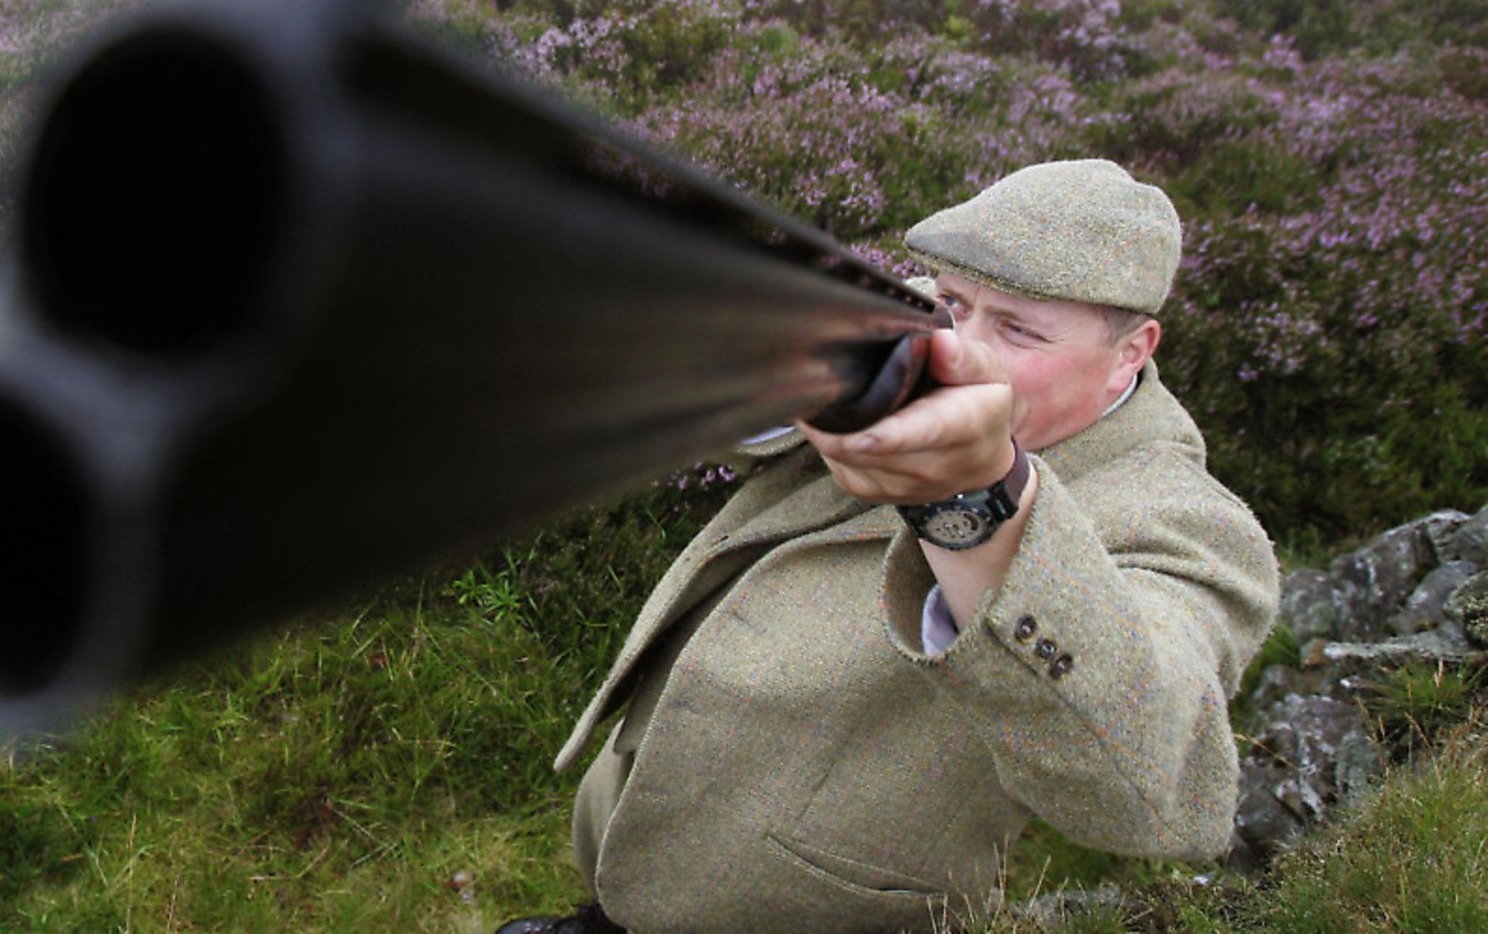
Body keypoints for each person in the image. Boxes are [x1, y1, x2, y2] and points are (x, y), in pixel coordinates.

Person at [498, 160, 1280, 933]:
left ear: (1132, 351)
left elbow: (1156, 790)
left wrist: (980, 501)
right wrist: (777, 367)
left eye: (1019, 329)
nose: (962, 347)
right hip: (644, 840)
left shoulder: (1186, 520)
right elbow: (763, 438)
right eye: (955, 301)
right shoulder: (921, 337)